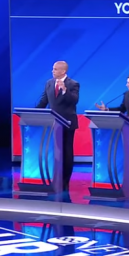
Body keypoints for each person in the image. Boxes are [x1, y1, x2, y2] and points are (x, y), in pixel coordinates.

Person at [36, 61, 80, 191]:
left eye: (55, 69)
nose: (53, 71)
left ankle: (65, 181)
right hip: (52, 124)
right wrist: (34, 113)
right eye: (53, 69)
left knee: (66, 152)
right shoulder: (49, 83)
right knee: (53, 151)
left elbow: (74, 100)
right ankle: (53, 177)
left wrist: (65, 90)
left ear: (63, 71)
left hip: (67, 124)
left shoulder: (73, 84)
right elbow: (43, 101)